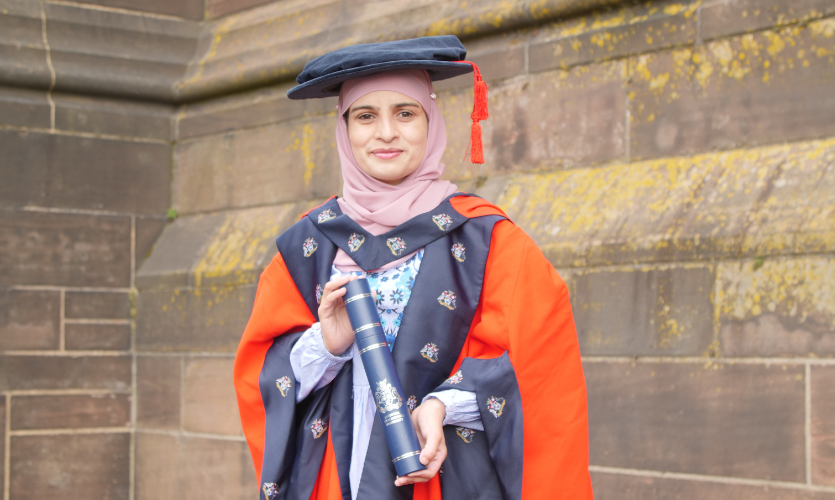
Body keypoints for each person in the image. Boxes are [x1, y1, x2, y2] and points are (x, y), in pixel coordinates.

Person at [234, 35, 594, 500]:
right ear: (344, 129)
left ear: (431, 121)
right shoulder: (309, 243)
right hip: (335, 470)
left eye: (405, 113)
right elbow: (262, 372)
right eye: (366, 116)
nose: (386, 132)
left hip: (446, 475)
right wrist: (326, 344)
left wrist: (444, 405)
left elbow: (539, 362)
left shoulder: (488, 239)